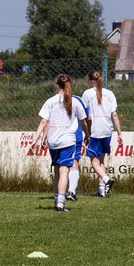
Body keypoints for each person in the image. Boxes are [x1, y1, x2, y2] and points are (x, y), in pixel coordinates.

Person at [35, 73, 89, 212]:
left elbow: (43, 121)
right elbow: (83, 121)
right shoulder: (74, 101)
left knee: (57, 170)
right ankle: (60, 203)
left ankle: (56, 199)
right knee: (64, 170)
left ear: (56, 85)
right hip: (67, 141)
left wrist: (35, 138)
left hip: (52, 141)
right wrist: (87, 135)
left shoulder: (50, 101)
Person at [81, 69, 123, 197]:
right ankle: (102, 190)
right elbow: (114, 115)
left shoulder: (87, 94)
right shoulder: (110, 94)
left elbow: (85, 116)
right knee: (101, 161)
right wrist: (119, 133)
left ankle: (106, 180)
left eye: (88, 81)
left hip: (94, 131)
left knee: (94, 162)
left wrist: (86, 133)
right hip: (107, 130)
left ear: (92, 81)